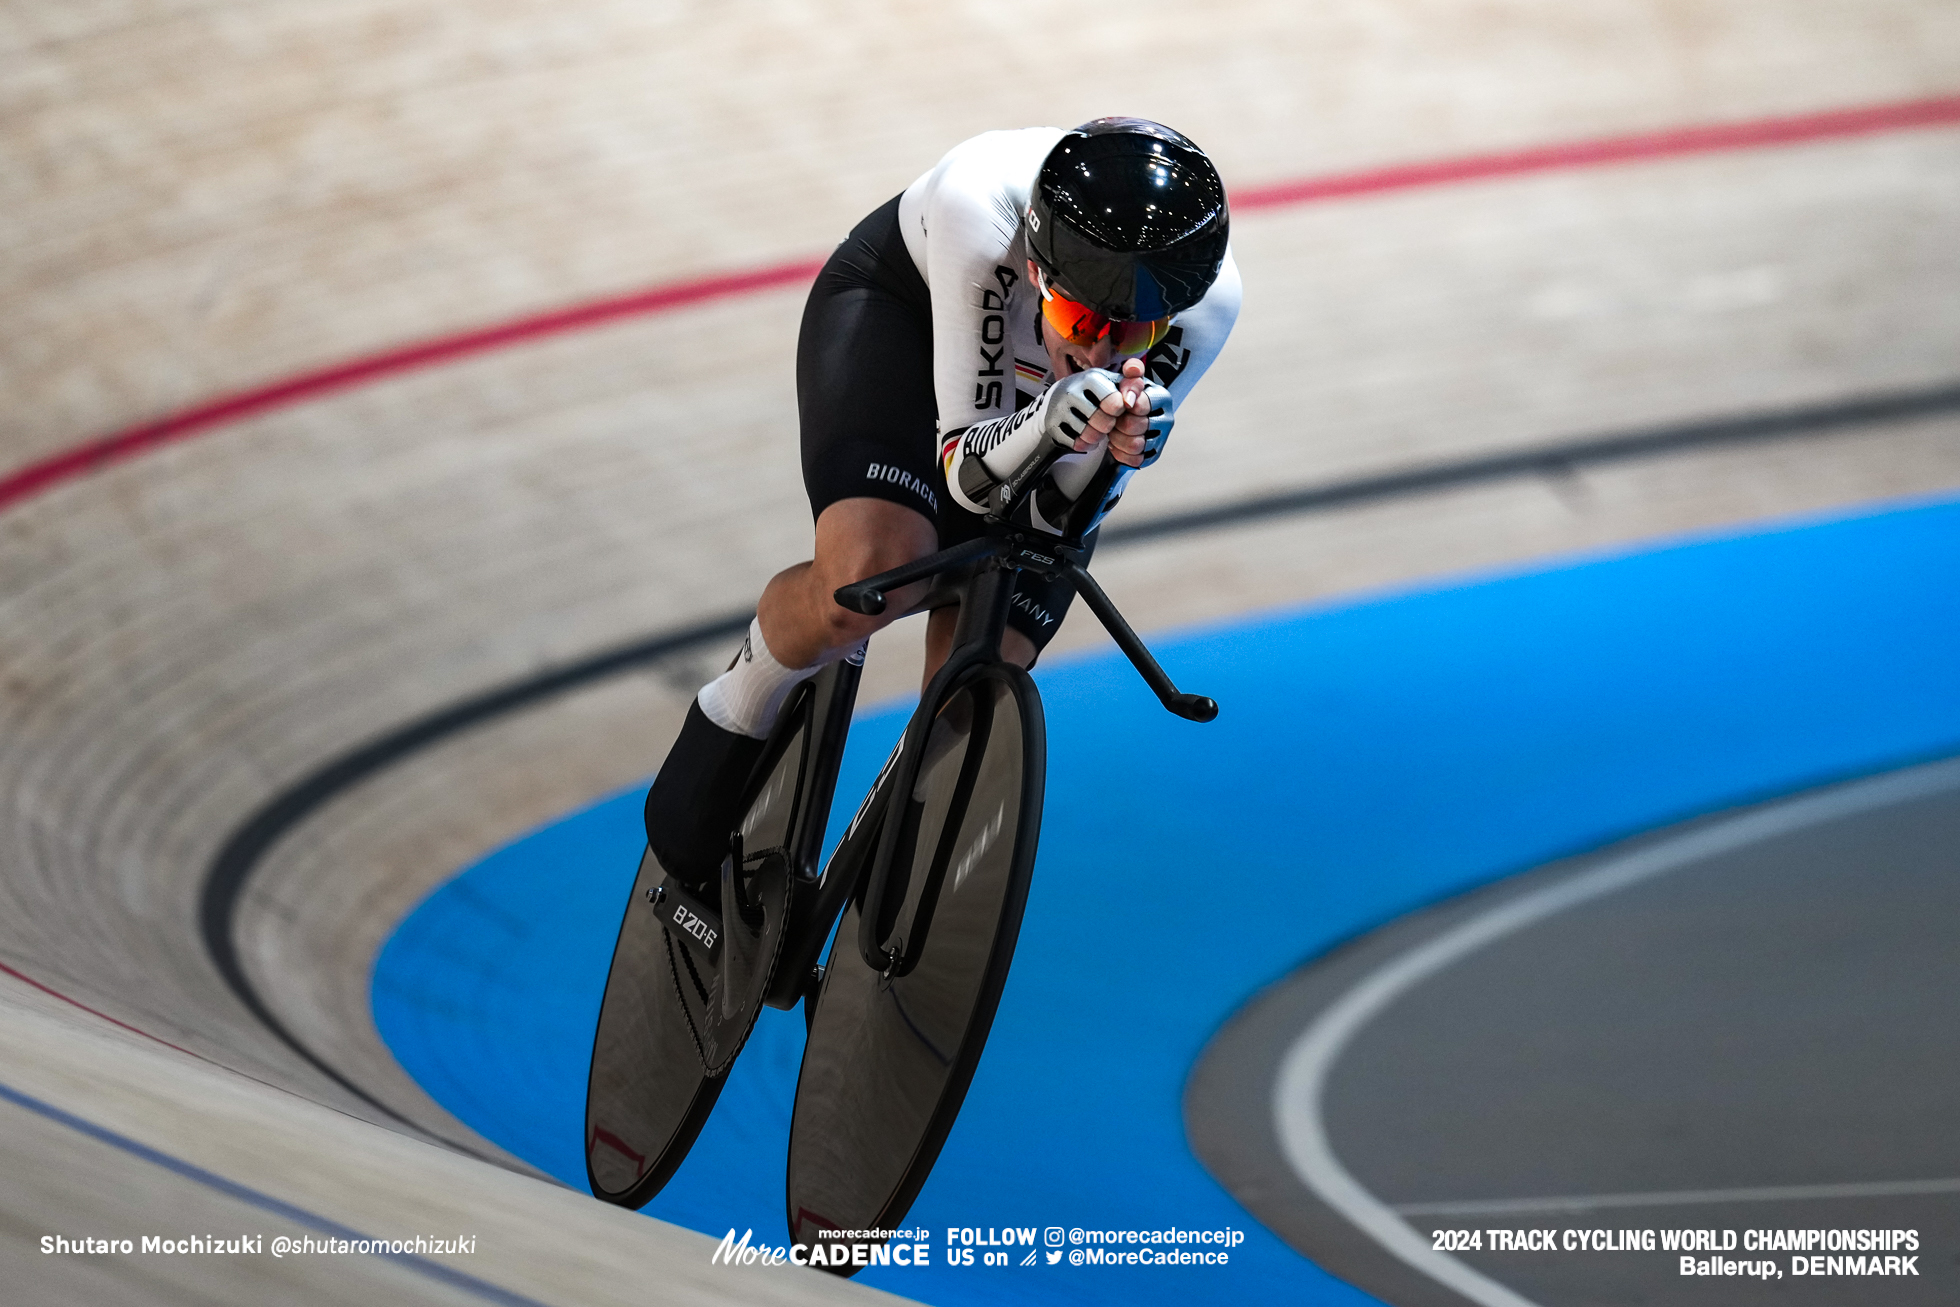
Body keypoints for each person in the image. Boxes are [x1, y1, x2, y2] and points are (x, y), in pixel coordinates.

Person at [644, 117, 1242, 895]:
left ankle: (884, 864)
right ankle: (738, 702)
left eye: (1133, 332)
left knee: (976, 681)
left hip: (1030, 409)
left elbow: (1061, 521)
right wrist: (1050, 419)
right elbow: (965, 475)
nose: (1100, 352)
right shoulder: (979, 208)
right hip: (903, 320)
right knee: (875, 576)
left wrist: (1121, 445)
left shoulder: (1206, 304)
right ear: (1037, 269)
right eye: (1081, 323)